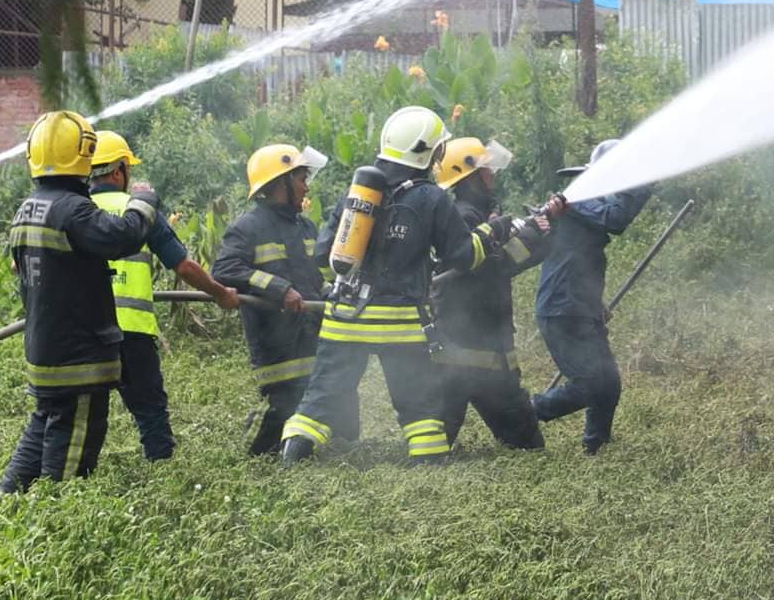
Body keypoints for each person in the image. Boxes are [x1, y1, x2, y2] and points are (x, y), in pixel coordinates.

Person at [278, 106, 498, 466]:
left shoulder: (359, 190)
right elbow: (462, 256)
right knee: (420, 404)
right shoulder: (430, 197)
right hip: (401, 325)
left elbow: (323, 252)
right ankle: (430, 472)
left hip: (344, 319)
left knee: (319, 399)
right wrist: (491, 232)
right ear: (425, 150)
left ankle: (290, 461)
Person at [0, 111, 161, 493]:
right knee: (75, 443)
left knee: (44, 422)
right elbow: (122, 237)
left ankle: (9, 493)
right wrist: (143, 203)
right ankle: (57, 511)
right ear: (83, 155)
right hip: (78, 357)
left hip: (45, 350)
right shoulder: (74, 210)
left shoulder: (28, 208)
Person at [86, 130, 240, 462]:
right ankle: (162, 470)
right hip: (132, 332)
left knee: (81, 413)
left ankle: (72, 478)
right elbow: (183, 266)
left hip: (84, 332)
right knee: (151, 412)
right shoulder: (139, 210)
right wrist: (220, 293)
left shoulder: (73, 210)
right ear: (118, 171)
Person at [530, 139, 653, 455]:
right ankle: (524, 412)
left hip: (578, 306)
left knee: (608, 383)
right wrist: (641, 183)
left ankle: (596, 447)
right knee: (589, 384)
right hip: (562, 310)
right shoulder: (576, 198)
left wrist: (593, 301)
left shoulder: (581, 203)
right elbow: (616, 219)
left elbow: (580, 255)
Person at [432, 137, 552, 452]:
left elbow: (510, 260)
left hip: (482, 346)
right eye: (487, 168)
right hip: (471, 347)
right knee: (434, 443)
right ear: (470, 175)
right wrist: (532, 232)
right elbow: (492, 266)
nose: (493, 174)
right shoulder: (462, 216)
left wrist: (541, 233)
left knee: (525, 443)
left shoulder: (479, 213)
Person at [213, 143, 329, 456]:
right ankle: (252, 449)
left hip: (309, 330)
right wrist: (278, 288)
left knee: (320, 399)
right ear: (281, 183)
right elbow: (225, 269)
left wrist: (329, 291)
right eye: (301, 178)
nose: (306, 185)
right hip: (274, 336)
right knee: (282, 404)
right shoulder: (247, 228)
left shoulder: (305, 226)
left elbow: (314, 276)